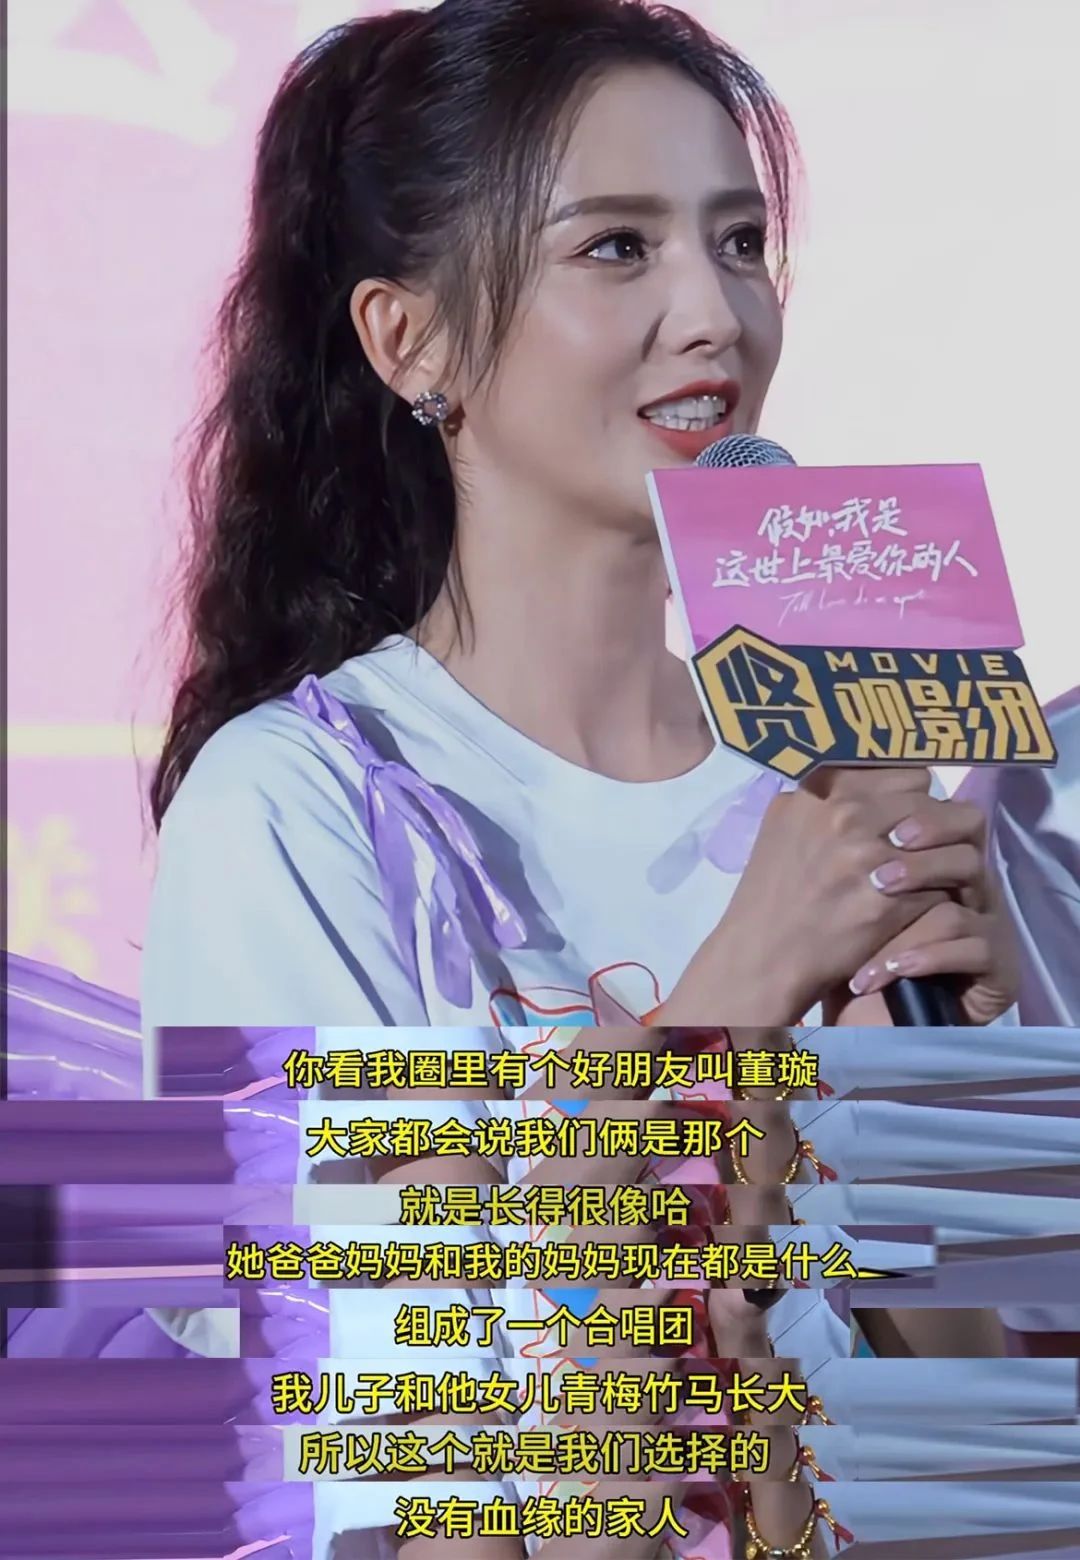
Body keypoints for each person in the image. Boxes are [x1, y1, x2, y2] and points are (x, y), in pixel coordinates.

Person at [141, 0, 1018, 1036]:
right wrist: (747, 984)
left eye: (740, 242)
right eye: (617, 247)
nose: (715, 317)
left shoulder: (833, 784)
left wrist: (942, 1075)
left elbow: (894, 1142)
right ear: (409, 341)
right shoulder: (295, 801)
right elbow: (347, 1157)